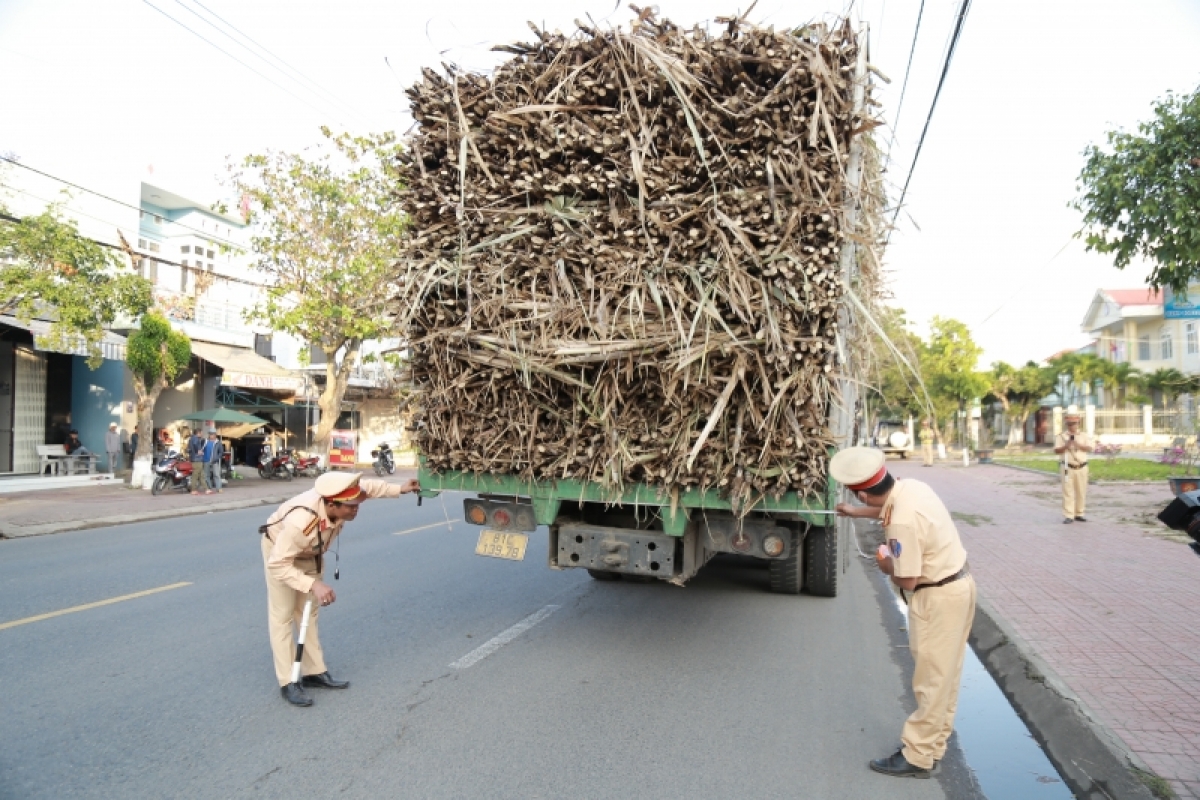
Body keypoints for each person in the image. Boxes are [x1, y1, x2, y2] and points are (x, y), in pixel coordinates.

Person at [833, 446, 975, 779]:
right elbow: (888, 510)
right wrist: (855, 512)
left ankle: (918, 757)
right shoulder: (912, 487)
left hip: (936, 599)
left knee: (931, 681)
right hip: (959, 585)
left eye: (859, 498)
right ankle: (934, 743)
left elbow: (907, 579)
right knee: (947, 677)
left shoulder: (901, 523)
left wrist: (884, 563)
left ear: (864, 491)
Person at [260, 471, 421, 707]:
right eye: (351, 506)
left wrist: (400, 488)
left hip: (311, 553)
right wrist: (312, 584)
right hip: (281, 554)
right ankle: (288, 681)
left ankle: (314, 672)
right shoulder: (302, 522)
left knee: (307, 613)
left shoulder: (341, 495)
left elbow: (369, 487)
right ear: (332, 505)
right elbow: (277, 563)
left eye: (357, 504)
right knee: (283, 616)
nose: (356, 509)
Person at [1054, 406, 1092, 523]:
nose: (1072, 426)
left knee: (1081, 491)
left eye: (1074, 424)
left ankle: (1079, 513)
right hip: (1066, 466)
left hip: (1081, 466)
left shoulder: (1084, 435)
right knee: (1068, 491)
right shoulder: (1061, 436)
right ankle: (1069, 515)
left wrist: (1077, 445)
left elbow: (1090, 448)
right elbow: (1056, 450)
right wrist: (1066, 446)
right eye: (1069, 424)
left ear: (1078, 423)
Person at [185, 428, 209, 495]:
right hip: (197, 459)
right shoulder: (195, 438)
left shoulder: (191, 439)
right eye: (201, 433)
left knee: (201, 475)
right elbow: (195, 445)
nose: (202, 434)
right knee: (195, 475)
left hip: (195, 459)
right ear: (198, 433)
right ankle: (193, 490)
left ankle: (206, 489)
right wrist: (199, 451)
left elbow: (189, 449)